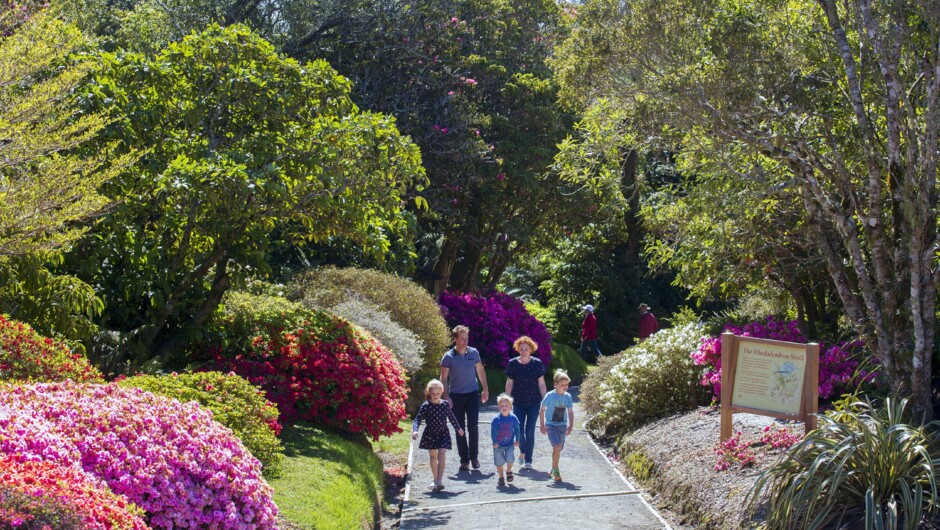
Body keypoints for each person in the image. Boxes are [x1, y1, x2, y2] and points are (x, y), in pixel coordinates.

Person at [440, 325, 489, 471]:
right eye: (462, 339)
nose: (464, 341)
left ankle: (474, 457)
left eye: (466, 338)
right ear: (455, 339)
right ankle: (464, 460)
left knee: (473, 427)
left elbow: (480, 370)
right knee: (459, 428)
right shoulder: (448, 356)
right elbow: (443, 377)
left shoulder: (473, 353)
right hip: (456, 396)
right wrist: (446, 396)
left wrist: (485, 389)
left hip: (472, 394)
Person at [412, 379, 464, 492]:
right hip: (430, 434)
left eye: (438, 394)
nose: (435, 396)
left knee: (441, 455)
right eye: (433, 394)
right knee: (433, 457)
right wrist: (415, 431)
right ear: (429, 393)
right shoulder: (426, 405)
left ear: (442, 392)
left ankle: (439, 481)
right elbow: (417, 419)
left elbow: (451, 417)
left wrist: (458, 428)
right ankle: (435, 479)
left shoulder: (445, 404)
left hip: (443, 433)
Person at [504, 335, 546, 471]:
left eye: (526, 349)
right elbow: (510, 382)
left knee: (530, 431)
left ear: (531, 350)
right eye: (521, 349)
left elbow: (541, 383)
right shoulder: (513, 364)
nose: (523, 351)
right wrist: (507, 399)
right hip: (518, 401)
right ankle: (522, 450)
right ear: (518, 349)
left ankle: (528, 459)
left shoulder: (537, 363)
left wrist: (544, 399)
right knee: (519, 430)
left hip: (534, 401)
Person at [540, 369, 574, 482]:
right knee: (557, 446)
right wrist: (542, 425)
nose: (565, 387)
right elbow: (542, 410)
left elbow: (570, 412)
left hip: (562, 426)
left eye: (566, 384)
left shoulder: (568, 397)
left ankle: (553, 468)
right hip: (550, 425)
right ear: (555, 384)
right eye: (562, 385)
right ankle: (557, 471)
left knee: (558, 449)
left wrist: (570, 426)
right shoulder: (550, 396)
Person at [490, 393, 521, 487]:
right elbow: (493, 432)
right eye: (501, 405)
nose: (504, 407)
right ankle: (501, 477)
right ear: (499, 407)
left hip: (509, 443)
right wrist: (494, 442)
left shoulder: (513, 418)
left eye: (506, 405)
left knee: (510, 459)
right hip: (498, 445)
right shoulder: (496, 419)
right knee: (499, 461)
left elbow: (517, 429)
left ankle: (508, 471)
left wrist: (517, 440)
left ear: (511, 407)